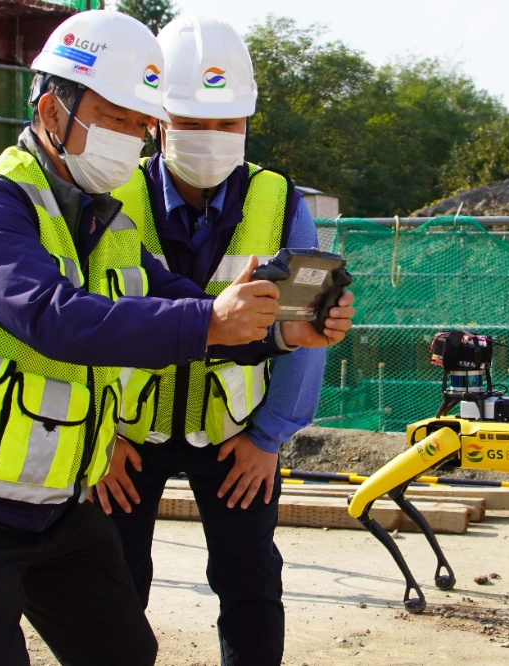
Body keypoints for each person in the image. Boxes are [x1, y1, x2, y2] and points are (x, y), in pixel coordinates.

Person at [0, 10, 348, 666]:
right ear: (53, 113)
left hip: (54, 509)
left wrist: (280, 334)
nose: (133, 139)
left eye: (140, 124)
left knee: (126, 652)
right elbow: (54, 318)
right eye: (117, 120)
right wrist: (213, 320)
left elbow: (186, 308)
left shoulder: (106, 224)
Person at [93, 16, 354, 666]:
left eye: (228, 123)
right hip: (127, 437)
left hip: (238, 436)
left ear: (247, 122)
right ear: (159, 117)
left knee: (249, 584)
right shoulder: (109, 195)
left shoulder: (281, 202)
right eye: (195, 121)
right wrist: (99, 439)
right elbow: (83, 321)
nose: (213, 137)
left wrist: (268, 439)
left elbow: (307, 331)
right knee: (112, 590)